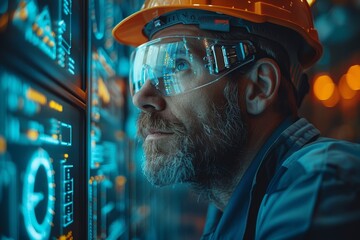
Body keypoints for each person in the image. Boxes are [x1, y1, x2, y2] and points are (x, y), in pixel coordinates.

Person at [113, 0, 360, 239]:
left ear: (258, 87)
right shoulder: (228, 205)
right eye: (146, 72)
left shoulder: (319, 186)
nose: (141, 97)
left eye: (178, 65)